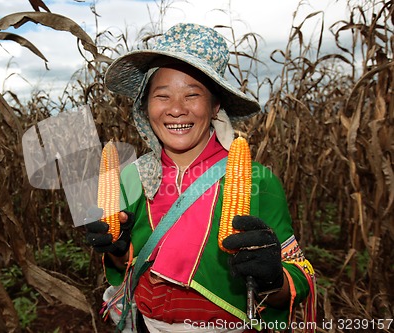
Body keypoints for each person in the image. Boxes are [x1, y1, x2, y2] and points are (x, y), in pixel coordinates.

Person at [86, 23, 315, 333]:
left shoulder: (258, 181)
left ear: (215, 105)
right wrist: (116, 251)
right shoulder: (132, 176)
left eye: (192, 95)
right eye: (162, 96)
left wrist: (273, 279)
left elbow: (300, 278)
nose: (176, 110)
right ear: (145, 107)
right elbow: (124, 264)